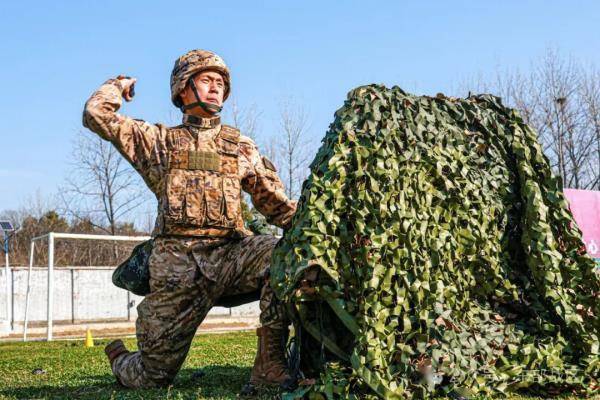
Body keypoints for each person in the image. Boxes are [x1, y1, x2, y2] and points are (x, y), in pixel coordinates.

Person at [82, 49, 297, 390]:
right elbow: (96, 113)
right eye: (206, 80)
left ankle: (268, 365)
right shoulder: (159, 142)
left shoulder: (240, 146)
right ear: (183, 89)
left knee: (286, 256)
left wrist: (317, 227)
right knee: (150, 378)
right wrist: (117, 85)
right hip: (176, 268)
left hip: (230, 256)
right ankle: (120, 357)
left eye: (220, 83)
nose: (215, 88)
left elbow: (277, 206)